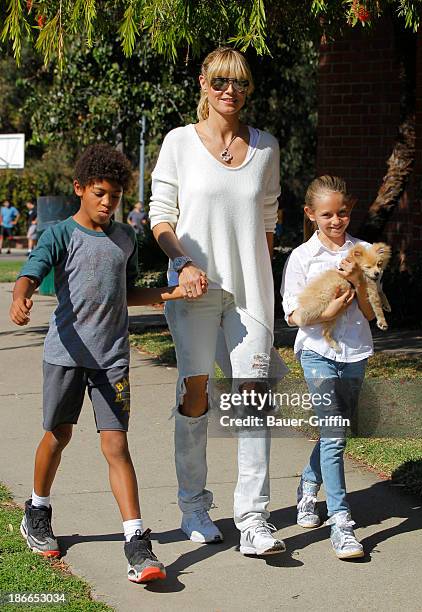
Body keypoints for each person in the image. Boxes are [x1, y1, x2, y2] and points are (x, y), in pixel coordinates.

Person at [9, 144, 191, 583]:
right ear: (80, 189)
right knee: (58, 435)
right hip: (66, 357)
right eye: (99, 193)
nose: (108, 203)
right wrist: (20, 297)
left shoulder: (123, 239)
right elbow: (29, 274)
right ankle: (36, 509)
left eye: (115, 195)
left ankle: (136, 543)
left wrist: (169, 294)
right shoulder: (59, 235)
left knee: (116, 446)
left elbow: (122, 294)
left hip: (111, 361)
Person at [149, 47, 287, 556]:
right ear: (204, 83)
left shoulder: (266, 147)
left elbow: (268, 221)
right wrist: (182, 262)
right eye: (222, 81)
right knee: (196, 393)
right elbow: (160, 216)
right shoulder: (179, 143)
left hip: (250, 294)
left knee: (253, 401)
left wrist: (263, 278)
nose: (232, 91)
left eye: (241, 83)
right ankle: (194, 506)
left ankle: (253, 519)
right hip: (194, 289)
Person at [281, 175, 376, 559]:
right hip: (317, 352)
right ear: (310, 215)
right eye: (326, 215)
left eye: (342, 213)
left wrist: (359, 285)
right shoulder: (302, 258)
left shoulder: (364, 251)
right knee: (335, 435)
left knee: (338, 430)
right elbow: (292, 316)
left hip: (356, 351)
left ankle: (308, 484)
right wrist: (328, 310)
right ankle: (341, 523)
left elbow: (370, 312)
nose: (336, 221)